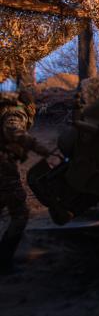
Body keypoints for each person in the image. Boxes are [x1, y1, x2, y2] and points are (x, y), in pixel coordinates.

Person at [0, 91, 50, 273]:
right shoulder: (17, 112)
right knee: (20, 214)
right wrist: (42, 149)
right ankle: (3, 263)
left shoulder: (7, 108)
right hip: (4, 169)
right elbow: (13, 131)